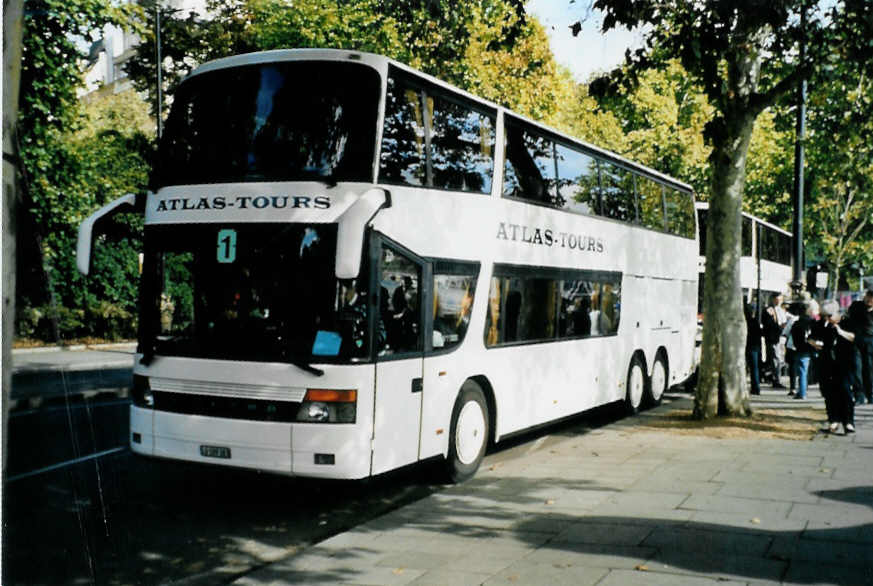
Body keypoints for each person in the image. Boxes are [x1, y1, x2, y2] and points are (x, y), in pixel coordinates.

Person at [812, 300, 857, 434]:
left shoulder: (847, 322)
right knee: (829, 393)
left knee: (845, 391)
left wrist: (840, 331)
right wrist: (814, 343)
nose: (827, 319)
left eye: (829, 316)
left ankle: (848, 421)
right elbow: (811, 337)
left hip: (845, 363)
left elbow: (854, 337)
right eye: (824, 316)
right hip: (827, 363)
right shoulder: (822, 325)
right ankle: (833, 420)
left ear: (837, 313)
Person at [847, 290, 873, 405]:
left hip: (871, 341)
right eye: (869, 297)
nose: (869, 300)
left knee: (869, 368)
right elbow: (850, 319)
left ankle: (870, 394)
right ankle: (859, 395)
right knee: (857, 368)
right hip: (856, 339)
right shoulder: (856, 306)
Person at [789, 300, 818, 400]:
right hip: (814, 348)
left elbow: (792, 335)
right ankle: (803, 391)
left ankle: (802, 392)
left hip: (801, 349)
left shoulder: (796, 324)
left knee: (802, 371)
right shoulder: (813, 323)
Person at [762, 292, 788, 388]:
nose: (779, 301)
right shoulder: (768, 310)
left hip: (781, 338)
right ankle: (776, 379)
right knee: (775, 359)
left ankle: (772, 377)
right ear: (773, 299)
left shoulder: (781, 310)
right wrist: (779, 326)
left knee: (779, 359)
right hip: (773, 338)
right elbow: (768, 324)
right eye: (777, 299)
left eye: (780, 300)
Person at [781, 303, 802, 395]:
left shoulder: (792, 320)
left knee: (792, 368)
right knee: (802, 367)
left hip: (792, 345)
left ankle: (793, 387)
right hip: (803, 346)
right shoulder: (807, 319)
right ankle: (802, 388)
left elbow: (785, 332)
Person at [745, 300, 763, 395]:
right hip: (754, 346)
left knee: (748, 367)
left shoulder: (745, 322)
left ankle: (754, 387)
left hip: (747, 345)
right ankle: (756, 387)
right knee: (754, 368)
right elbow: (760, 333)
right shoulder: (755, 322)